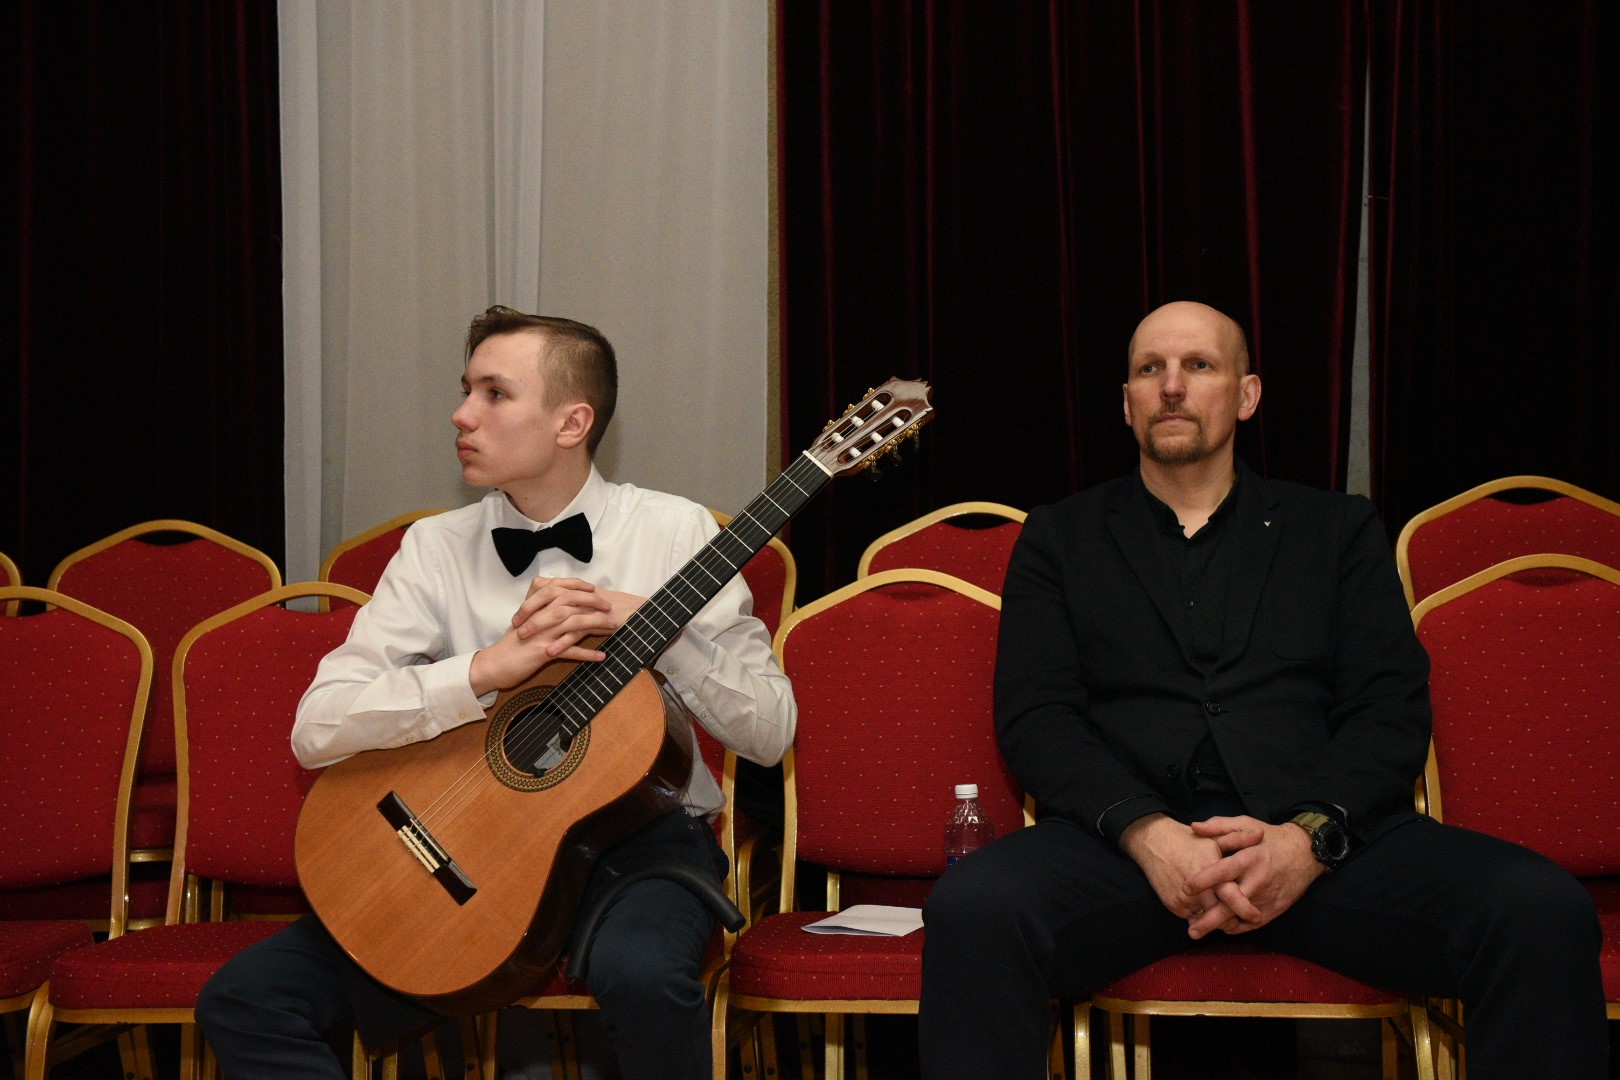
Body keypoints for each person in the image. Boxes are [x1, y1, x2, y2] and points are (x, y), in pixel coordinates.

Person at [917, 301, 1607, 1078]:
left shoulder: (1338, 529)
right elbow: (1038, 716)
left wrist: (1307, 839)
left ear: (1246, 395)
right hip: (1129, 854)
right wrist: (1149, 835)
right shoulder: (1059, 538)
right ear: (1126, 403)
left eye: (1198, 365)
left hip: (1324, 851)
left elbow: (1389, 709)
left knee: (1539, 909)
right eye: (1150, 369)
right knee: (974, 909)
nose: (1171, 386)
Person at [197, 306, 796, 1079]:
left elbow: (770, 733)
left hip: (640, 847)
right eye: (465, 390)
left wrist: (662, 629)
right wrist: (484, 670)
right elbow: (317, 729)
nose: (461, 414)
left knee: (642, 975)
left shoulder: (677, 533)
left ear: (572, 422)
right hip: (465, 841)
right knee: (245, 998)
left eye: (494, 393)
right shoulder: (434, 548)